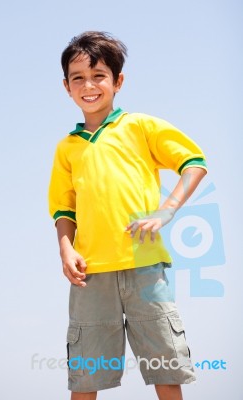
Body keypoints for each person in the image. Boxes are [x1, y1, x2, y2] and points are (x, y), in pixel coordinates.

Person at [48, 31, 207, 400]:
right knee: (86, 376)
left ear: (118, 81)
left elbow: (194, 163)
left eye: (99, 75)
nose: (89, 85)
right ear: (66, 86)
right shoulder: (67, 148)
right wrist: (65, 249)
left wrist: (167, 212)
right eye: (78, 78)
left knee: (166, 367)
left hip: (145, 263)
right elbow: (62, 208)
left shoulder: (140, 127)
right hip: (89, 272)